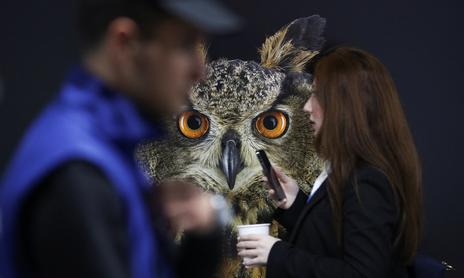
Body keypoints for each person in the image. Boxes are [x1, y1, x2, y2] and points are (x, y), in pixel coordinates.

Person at [0, 0, 241, 278]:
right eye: (185, 45)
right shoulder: (76, 172)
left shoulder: (106, 150)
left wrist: (202, 240)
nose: (200, 71)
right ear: (124, 44)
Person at [237, 46, 423, 277]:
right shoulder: (350, 170)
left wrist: (276, 253)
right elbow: (332, 241)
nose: (306, 107)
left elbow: (361, 274)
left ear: (344, 106)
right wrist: (295, 205)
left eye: (316, 95)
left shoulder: (368, 182)